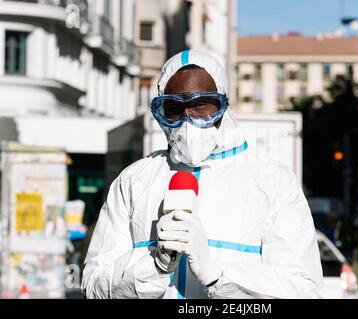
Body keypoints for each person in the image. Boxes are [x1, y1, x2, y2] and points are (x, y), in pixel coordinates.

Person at [81, 50, 323, 299]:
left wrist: (217, 276)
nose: (188, 119)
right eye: (174, 108)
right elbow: (94, 286)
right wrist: (154, 266)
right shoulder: (134, 180)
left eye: (201, 105)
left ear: (222, 105)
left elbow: (303, 290)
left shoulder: (272, 181)